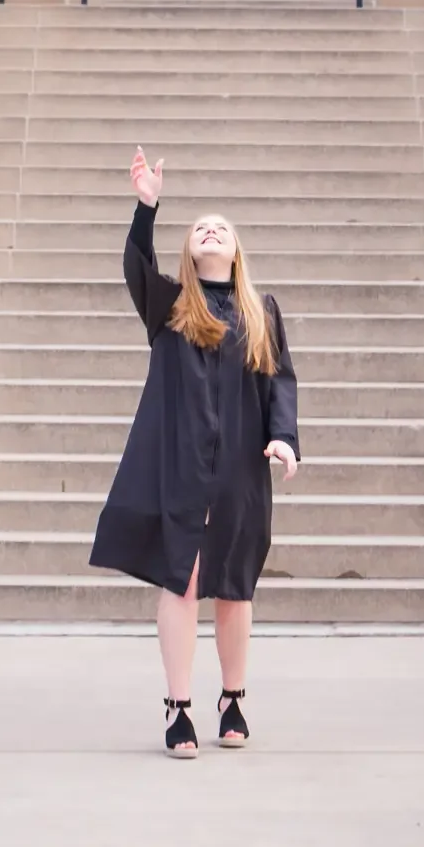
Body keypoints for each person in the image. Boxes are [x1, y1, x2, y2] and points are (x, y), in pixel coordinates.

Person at [89, 147, 300, 758]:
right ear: (189, 250)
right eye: (200, 227)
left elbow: (280, 380)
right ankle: (178, 707)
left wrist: (283, 436)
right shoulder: (172, 309)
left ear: (236, 252)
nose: (211, 230)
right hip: (181, 466)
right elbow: (134, 266)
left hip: (239, 468)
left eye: (223, 228)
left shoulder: (263, 313)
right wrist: (146, 206)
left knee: (235, 586)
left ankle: (233, 699)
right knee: (181, 580)